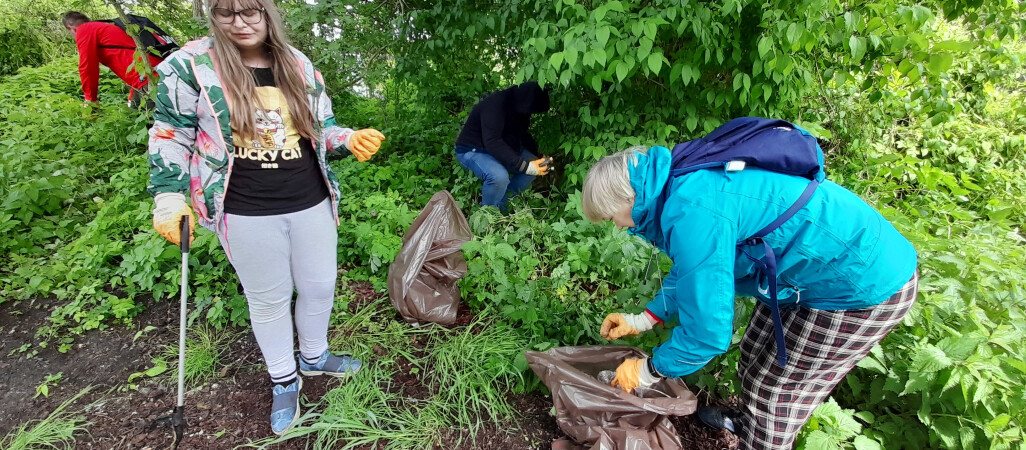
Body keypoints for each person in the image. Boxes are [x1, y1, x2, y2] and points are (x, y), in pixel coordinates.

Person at [581, 136, 918, 449]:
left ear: (629, 198)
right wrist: (645, 318)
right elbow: (697, 268)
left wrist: (648, 371)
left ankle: (762, 436)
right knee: (755, 354)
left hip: (859, 280)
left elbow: (707, 336)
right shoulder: (675, 186)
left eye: (613, 216)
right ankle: (745, 423)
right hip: (802, 273)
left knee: (777, 393)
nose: (618, 226)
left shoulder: (694, 210)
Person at [146, 0, 386, 435]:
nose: (239, 22)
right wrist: (167, 196)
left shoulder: (297, 63)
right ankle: (283, 378)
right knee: (268, 299)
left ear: (268, 13)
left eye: (250, 10)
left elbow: (322, 126)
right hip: (244, 207)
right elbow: (170, 132)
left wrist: (348, 138)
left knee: (319, 286)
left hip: (310, 198)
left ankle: (313, 358)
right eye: (225, 12)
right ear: (211, 16)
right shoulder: (191, 66)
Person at [454, 81, 553, 211]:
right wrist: (524, 165)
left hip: (501, 146)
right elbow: (492, 141)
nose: (531, 113)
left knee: (536, 166)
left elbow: (521, 134)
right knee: (498, 177)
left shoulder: (521, 107)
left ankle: (502, 207)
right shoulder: (495, 105)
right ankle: (487, 216)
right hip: (473, 150)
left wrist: (538, 156)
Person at [62, 11, 164, 105]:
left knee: (144, 121)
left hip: (149, 78)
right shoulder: (107, 27)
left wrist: (90, 100)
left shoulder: (84, 30)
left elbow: (87, 66)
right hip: (156, 72)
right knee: (132, 114)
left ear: (70, 27)